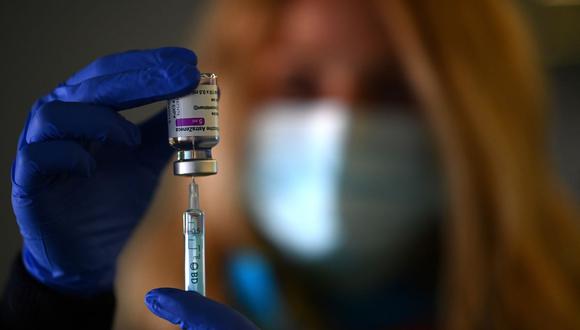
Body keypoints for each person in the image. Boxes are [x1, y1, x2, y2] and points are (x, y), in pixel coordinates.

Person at [2, 1, 580, 330]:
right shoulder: (146, 315)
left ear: (482, 121)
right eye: (299, 84)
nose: (342, 126)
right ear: (241, 100)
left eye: (395, 89)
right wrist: (56, 309)